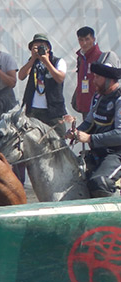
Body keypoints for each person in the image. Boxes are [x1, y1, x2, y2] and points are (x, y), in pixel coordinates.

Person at [65, 61, 121, 197]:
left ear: (109, 79)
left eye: (97, 77)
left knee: (100, 182)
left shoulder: (119, 99)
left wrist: (90, 138)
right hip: (98, 153)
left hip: (117, 155)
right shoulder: (97, 97)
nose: (93, 81)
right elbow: (89, 122)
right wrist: (75, 132)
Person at [18, 33, 67, 137]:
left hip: (53, 110)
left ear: (48, 48)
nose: (39, 49)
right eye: (35, 46)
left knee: (58, 140)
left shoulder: (58, 61)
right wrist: (32, 59)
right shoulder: (32, 62)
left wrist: (46, 62)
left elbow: (60, 78)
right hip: (34, 110)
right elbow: (21, 76)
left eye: (42, 46)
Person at [72, 26, 121, 117]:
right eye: (81, 40)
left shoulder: (101, 58)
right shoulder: (81, 58)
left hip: (98, 105)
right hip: (84, 104)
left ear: (94, 39)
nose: (84, 43)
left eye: (87, 39)